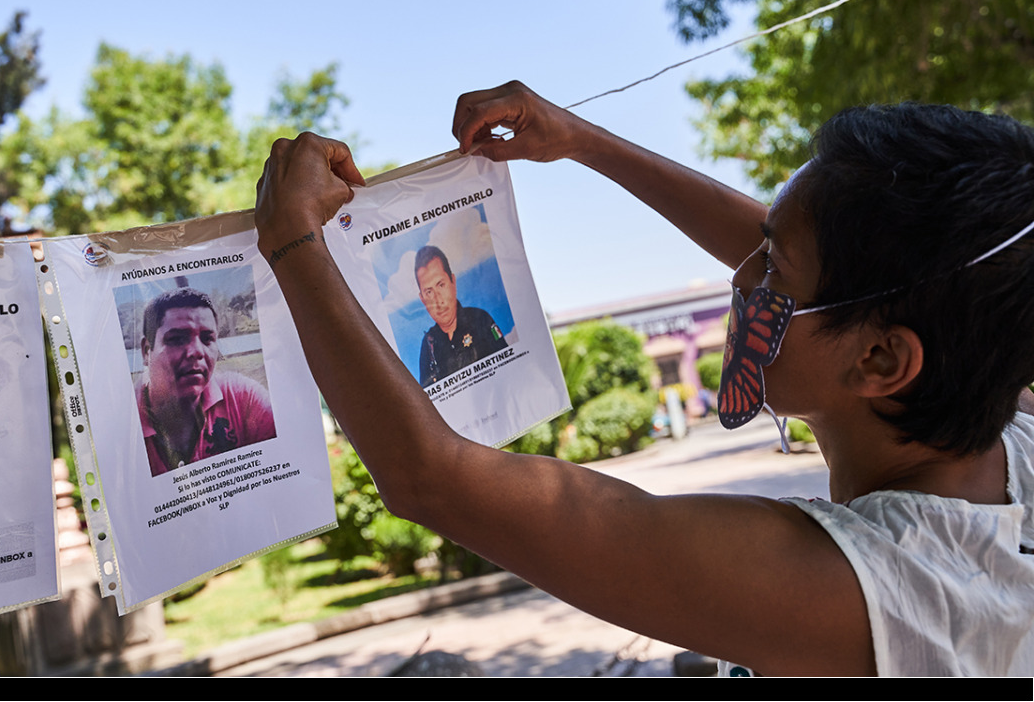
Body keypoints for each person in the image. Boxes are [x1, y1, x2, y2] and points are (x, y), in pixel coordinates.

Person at [254, 81, 1034, 676]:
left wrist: (291, 243)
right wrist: (583, 143)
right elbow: (845, 276)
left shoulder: (862, 590)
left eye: (771, 275)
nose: (740, 282)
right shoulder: (1003, 413)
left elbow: (434, 479)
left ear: (881, 361)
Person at [138, 287, 275, 477]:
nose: (197, 351)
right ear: (146, 351)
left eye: (207, 338)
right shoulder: (127, 423)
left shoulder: (243, 398)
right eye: (177, 339)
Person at [414, 244, 508, 386]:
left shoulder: (481, 320)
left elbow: (510, 368)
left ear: (453, 282)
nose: (438, 300)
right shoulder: (428, 344)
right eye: (429, 292)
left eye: (441, 285)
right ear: (422, 299)